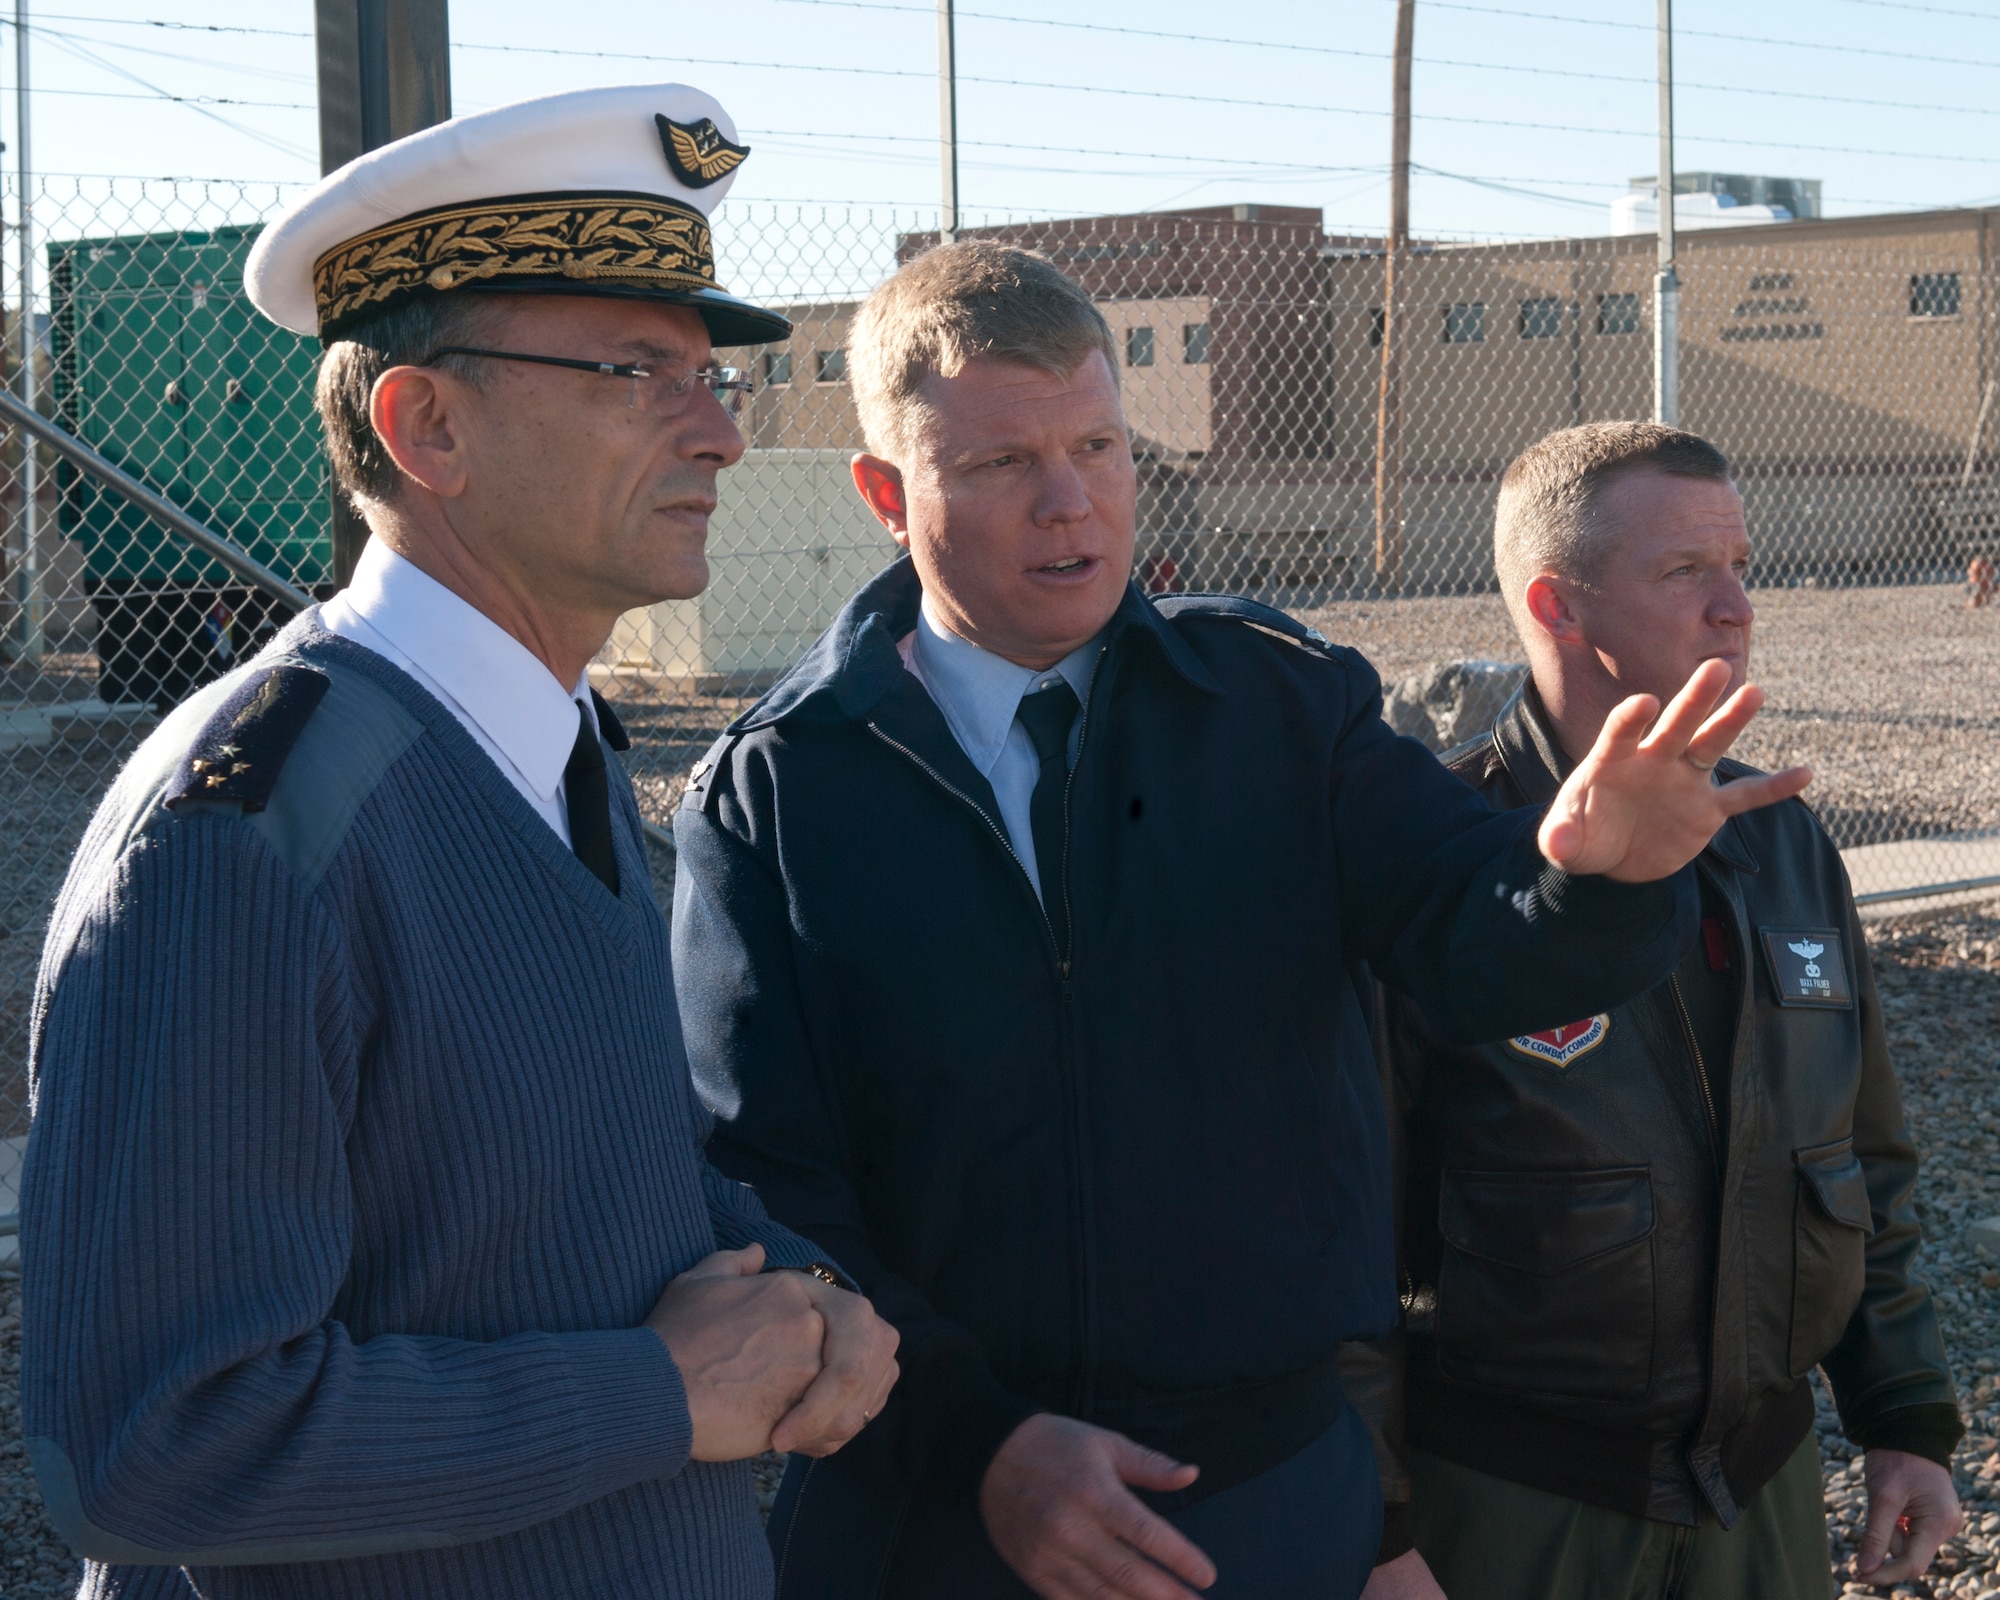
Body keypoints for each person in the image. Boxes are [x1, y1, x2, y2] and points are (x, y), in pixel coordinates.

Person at [669, 242, 1811, 1600]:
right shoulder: (783, 788)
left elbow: (1477, 937)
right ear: (883, 493)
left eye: (1099, 443)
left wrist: (1599, 879)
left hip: (1261, 1501)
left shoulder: (1278, 708)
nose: (1068, 501)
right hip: (935, 1521)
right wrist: (981, 1446)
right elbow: (763, 1176)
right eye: (996, 465)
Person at [20, 84, 898, 1600]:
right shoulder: (251, 832)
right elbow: (154, 1439)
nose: (719, 434)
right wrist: (657, 1393)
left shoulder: (552, 744)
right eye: (637, 372)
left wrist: (794, 1289)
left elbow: (548, 1195)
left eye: (713, 379)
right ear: (425, 426)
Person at [1372, 422, 1961, 1600]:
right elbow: (1330, 1233)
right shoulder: (1436, 860)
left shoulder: (1783, 841)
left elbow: (1862, 1159)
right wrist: (1377, 1532)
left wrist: (1902, 1413)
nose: (1737, 605)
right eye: (1686, 572)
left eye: (1739, 564)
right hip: (1513, 1506)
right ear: (1560, 607)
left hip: (1760, 1495)